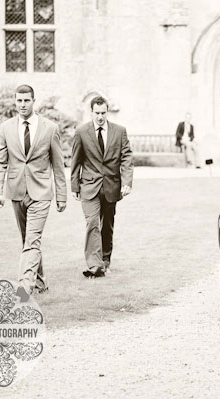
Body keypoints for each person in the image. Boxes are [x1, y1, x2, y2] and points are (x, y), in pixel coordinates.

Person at [0, 84, 67, 294]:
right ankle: (41, 281)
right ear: (15, 102)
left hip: (41, 192)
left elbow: (58, 166)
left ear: (34, 101)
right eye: (19, 101)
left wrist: (61, 196)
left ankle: (24, 287)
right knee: (27, 240)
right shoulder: (6, 128)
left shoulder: (49, 128)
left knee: (32, 240)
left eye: (26, 100)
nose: (22, 104)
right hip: (16, 191)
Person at [71, 96, 133, 277]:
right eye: (97, 113)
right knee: (92, 223)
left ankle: (105, 260)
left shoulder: (119, 131)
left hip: (111, 187)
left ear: (107, 112)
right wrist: (75, 186)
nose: (100, 117)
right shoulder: (81, 132)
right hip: (89, 186)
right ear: (91, 112)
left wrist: (127, 182)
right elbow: (76, 161)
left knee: (107, 226)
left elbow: (127, 157)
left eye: (103, 113)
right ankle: (94, 265)